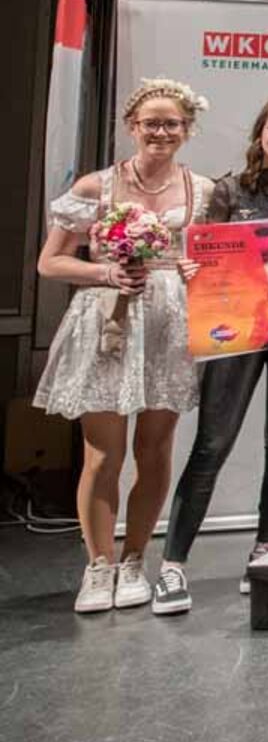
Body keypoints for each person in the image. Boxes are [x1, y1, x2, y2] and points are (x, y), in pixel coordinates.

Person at [35, 78, 214, 613]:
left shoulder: (203, 191)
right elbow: (49, 263)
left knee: (154, 450)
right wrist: (105, 272)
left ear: (187, 130)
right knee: (102, 454)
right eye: (151, 123)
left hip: (167, 326)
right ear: (132, 126)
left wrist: (196, 270)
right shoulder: (97, 187)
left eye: (172, 123)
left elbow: (216, 262)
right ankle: (99, 565)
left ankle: (135, 559)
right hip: (107, 324)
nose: (161, 132)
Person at [153, 96, 268, 615]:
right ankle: (172, 565)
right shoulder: (229, 190)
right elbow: (203, 252)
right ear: (260, 134)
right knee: (212, 442)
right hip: (236, 327)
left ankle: (265, 548)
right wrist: (192, 268)